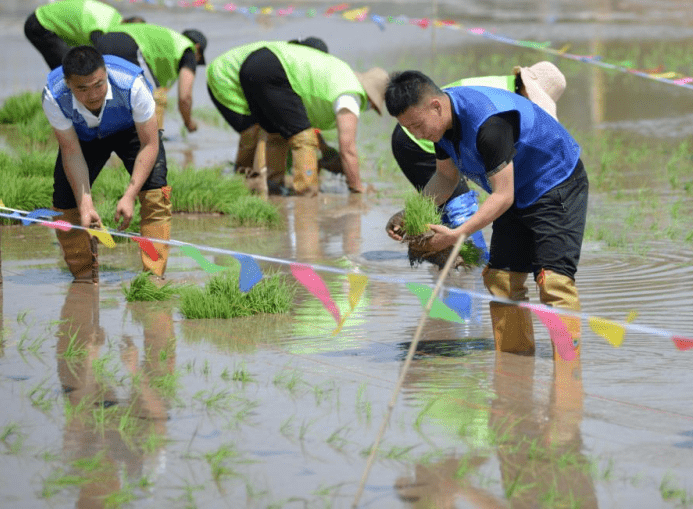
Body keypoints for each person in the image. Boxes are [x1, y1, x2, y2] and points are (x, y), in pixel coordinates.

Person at [384, 70, 588, 359]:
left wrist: (456, 234)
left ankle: (569, 370)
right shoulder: (440, 126)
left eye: (418, 125)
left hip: (555, 184)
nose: (418, 134)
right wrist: (408, 213)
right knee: (501, 281)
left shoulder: (488, 124)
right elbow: (445, 177)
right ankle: (514, 369)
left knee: (553, 281)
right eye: (409, 129)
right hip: (517, 190)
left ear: (436, 106)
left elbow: (503, 196)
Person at [390, 61, 569, 265]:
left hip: (422, 127)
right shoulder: (501, 105)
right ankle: (471, 265)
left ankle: (455, 262)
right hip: (421, 133)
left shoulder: (502, 91)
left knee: (455, 207)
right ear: (528, 93)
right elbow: (455, 177)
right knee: (461, 208)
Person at [43, 46, 171, 281]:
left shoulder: (131, 83)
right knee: (65, 201)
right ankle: (83, 278)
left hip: (132, 131)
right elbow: (70, 152)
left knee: (155, 192)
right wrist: (85, 203)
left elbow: (150, 145)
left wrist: (130, 195)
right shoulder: (54, 95)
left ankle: (153, 278)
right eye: (82, 88)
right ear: (68, 83)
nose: (93, 95)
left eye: (99, 84)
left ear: (105, 74)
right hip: (84, 137)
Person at [206, 40, 388, 197]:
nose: (369, 108)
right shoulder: (350, 94)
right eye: (372, 106)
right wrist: (357, 188)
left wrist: (326, 152)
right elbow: (347, 148)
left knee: (275, 132)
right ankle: (306, 194)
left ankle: (274, 188)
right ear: (371, 97)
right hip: (272, 68)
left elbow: (296, 119)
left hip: (252, 66)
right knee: (303, 139)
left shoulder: (340, 75)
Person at [90, 23, 207, 131]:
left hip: (103, 41)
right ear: (197, 48)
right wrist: (189, 123)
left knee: (111, 98)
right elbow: (185, 97)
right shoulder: (188, 50)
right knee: (156, 98)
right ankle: (155, 145)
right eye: (198, 60)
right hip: (129, 44)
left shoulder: (168, 42)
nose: (196, 63)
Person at [24, 0, 143, 69]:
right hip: (41, 24)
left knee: (78, 67)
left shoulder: (115, 17)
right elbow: (103, 56)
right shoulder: (103, 28)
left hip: (49, 25)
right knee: (68, 69)